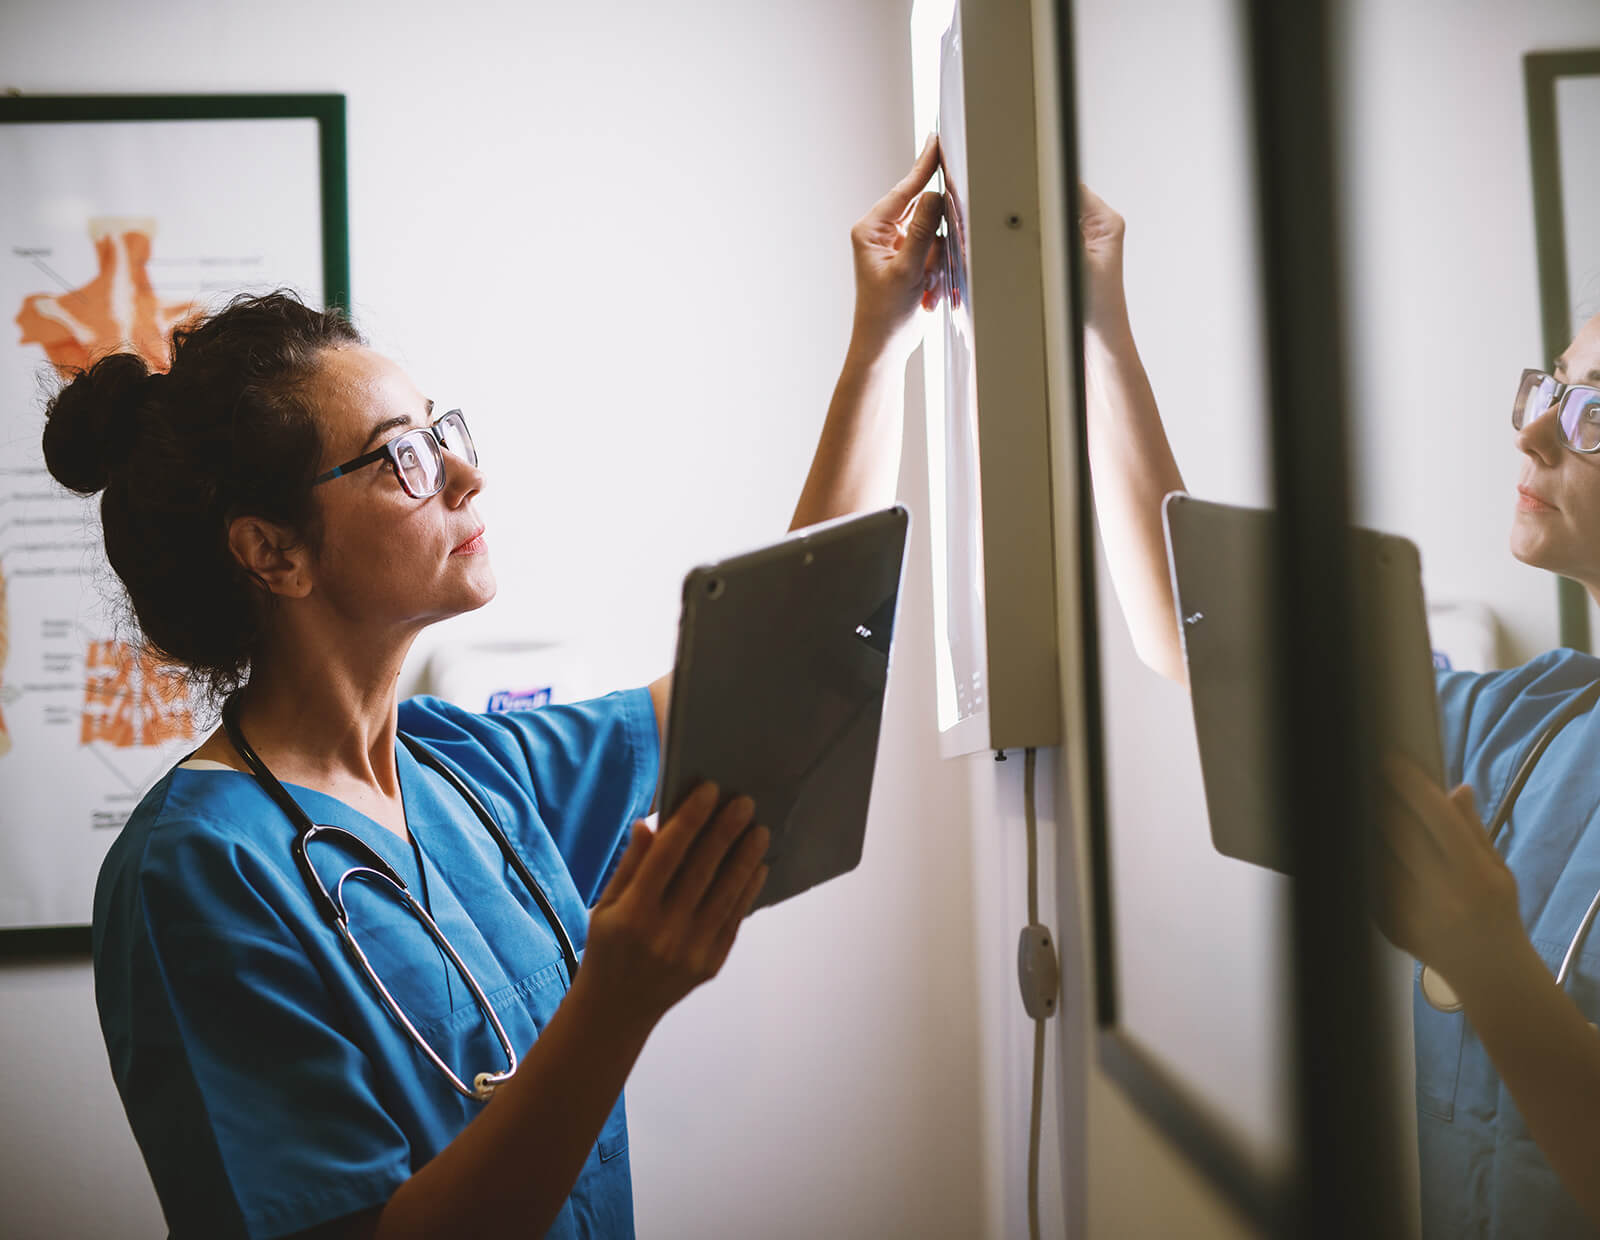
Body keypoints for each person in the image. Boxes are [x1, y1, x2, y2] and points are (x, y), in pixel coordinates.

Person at [47, 138, 947, 1240]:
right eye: (402, 456)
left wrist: (881, 344)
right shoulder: (195, 873)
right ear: (272, 552)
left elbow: (775, 665)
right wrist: (614, 1006)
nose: (465, 473)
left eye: (443, 432)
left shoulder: (465, 769)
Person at [1078, 183, 1600, 1235]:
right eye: (1551, 384)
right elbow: (1193, 640)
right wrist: (1098, 322)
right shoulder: (1524, 724)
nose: (1534, 431)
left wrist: (1490, 963)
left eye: (1595, 412)